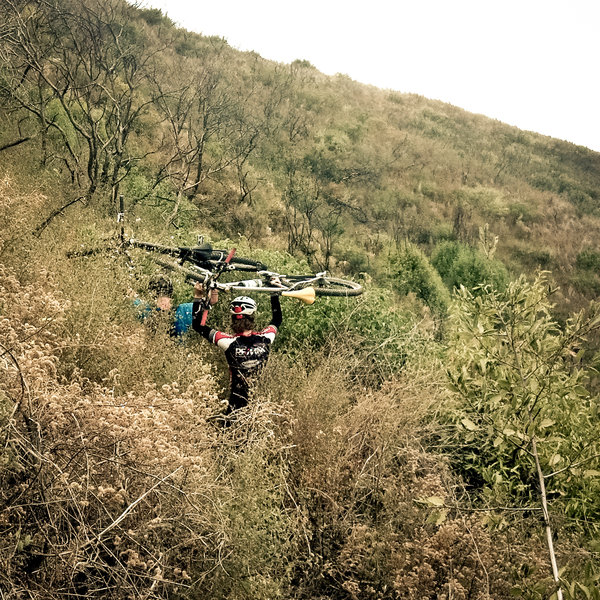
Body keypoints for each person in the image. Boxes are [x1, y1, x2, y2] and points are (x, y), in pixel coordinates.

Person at [191, 282, 282, 415]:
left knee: (229, 433)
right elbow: (277, 319)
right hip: (261, 405)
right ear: (252, 317)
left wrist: (199, 297)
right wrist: (274, 293)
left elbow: (198, 326)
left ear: (233, 320)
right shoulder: (266, 338)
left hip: (235, 405)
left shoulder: (228, 342)